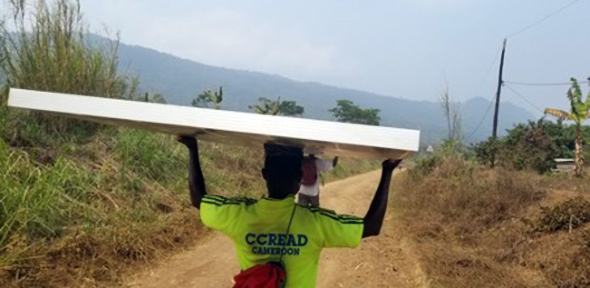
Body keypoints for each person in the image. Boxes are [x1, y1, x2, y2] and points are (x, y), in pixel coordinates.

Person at [176, 136, 402, 288]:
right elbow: (371, 226)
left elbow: (199, 199)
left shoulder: (239, 214)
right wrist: (387, 171)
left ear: (265, 175)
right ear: (299, 180)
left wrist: (192, 148)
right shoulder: (315, 221)